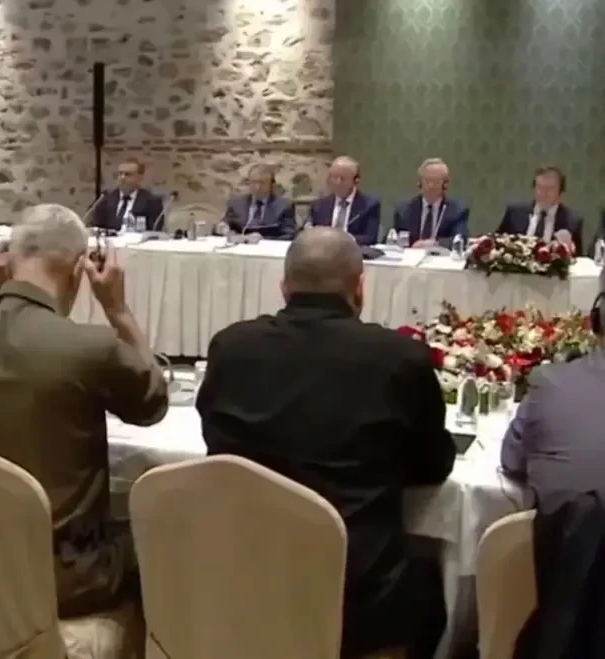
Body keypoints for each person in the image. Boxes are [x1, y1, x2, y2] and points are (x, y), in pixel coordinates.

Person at [196, 227, 454, 658]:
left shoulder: (231, 346)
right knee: (434, 585)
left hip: (244, 583)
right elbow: (434, 464)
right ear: (360, 288)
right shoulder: (400, 358)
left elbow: (214, 439)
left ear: (284, 286)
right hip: (355, 599)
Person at [0, 203, 168, 617]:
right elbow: (152, 403)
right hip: (59, 577)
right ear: (78, 270)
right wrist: (118, 311)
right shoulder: (91, 346)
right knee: (163, 528)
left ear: (5, 263)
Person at [501, 292, 605, 498]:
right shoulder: (549, 381)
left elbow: (512, 460)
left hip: (564, 518)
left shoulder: (550, 381)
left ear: (595, 324)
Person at [496, 165, 583, 255]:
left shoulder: (572, 221)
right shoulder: (514, 213)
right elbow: (497, 243)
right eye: (540, 187)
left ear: (560, 191)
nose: (543, 193)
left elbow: (577, 258)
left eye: (550, 188)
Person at [392, 158, 470, 248]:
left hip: (441, 256)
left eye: (436, 181)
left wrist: (434, 244)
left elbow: (460, 239)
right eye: (427, 181)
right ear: (419, 183)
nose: (431, 186)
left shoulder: (457, 211)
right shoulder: (403, 210)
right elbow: (391, 240)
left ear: (445, 184)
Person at [308, 156, 381, 246]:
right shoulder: (319, 205)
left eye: (342, 179)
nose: (337, 182)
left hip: (353, 251)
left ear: (356, 181)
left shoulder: (369, 205)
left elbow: (370, 237)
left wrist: (344, 240)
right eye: (334, 177)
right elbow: (307, 231)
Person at [220, 164, 296, 239]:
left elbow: (289, 235)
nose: (257, 187)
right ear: (248, 182)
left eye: (262, 183)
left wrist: (263, 239)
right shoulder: (236, 203)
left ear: (272, 185)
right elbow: (224, 223)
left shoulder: (284, 206)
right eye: (254, 182)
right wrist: (222, 228)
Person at [92, 158, 166, 232]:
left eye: (127, 174)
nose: (122, 177)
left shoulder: (152, 201)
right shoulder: (105, 200)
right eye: (120, 174)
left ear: (140, 178)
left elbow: (155, 230)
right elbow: (95, 227)